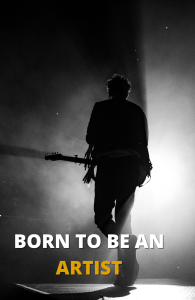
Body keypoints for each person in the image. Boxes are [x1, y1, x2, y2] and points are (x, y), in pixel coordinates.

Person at [83, 74, 152, 286]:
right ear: (127, 91)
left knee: (102, 217)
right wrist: (145, 167)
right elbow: (143, 142)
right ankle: (125, 272)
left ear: (110, 90)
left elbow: (90, 137)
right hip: (130, 167)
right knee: (124, 221)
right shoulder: (135, 111)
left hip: (109, 166)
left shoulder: (101, 108)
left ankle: (126, 260)